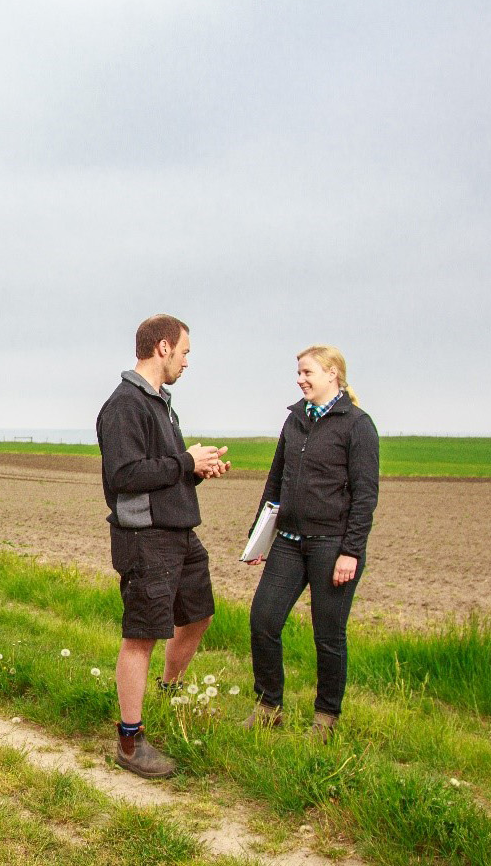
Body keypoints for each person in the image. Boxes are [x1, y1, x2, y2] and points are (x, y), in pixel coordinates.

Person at [97, 314, 230, 779]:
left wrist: (195, 468)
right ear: (162, 348)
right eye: (186, 351)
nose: (187, 362)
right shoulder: (123, 406)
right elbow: (125, 476)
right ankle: (130, 742)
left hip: (179, 531)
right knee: (142, 635)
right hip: (144, 538)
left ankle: (169, 692)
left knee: (198, 614)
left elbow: (163, 470)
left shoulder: (161, 404)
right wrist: (183, 461)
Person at [244, 345, 379, 739]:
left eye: (307, 373)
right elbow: (275, 482)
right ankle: (269, 706)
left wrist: (350, 551)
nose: (300, 379)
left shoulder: (357, 425)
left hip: (331, 546)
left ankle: (326, 718)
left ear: (332, 373)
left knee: (328, 634)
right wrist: (259, 538)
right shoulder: (295, 421)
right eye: (298, 373)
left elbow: (365, 495)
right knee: (263, 620)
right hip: (287, 542)